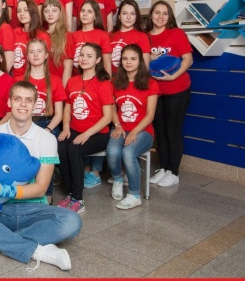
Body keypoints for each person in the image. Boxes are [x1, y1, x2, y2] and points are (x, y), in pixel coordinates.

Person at [0, 81, 81, 271]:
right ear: (9, 102)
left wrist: (5, 189)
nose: (23, 104)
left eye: (28, 100)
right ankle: (36, 250)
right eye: (17, 99)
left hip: (34, 209)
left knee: (72, 221)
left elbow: (40, 188)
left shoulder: (46, 139)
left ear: (35, 105)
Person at [57, 43, 113, 213]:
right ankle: (70, 193)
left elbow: (108, 117)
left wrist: (87, 134)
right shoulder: (73, 81)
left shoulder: (103, 83)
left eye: (89, 56)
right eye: (81, 55)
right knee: (60, 146)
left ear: (97, 60)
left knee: (74, 149)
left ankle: (78, 199)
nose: (84, 59)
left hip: (98, 133)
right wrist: (66, 127)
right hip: (75, 129)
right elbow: (67, 108)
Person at [147, 0, 193, 187]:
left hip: (177, 89)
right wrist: (148, 59)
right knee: (160, 130)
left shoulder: (176, 33)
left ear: (169, 17)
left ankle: (173, 172)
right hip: (155, 92)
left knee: (172, 130)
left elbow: (188, 60)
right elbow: (140, 63)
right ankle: (163, 168)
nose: (160, 16)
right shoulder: (145, 37)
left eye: (165, 13)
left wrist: (173, 76)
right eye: (157, 12)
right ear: (151, 15)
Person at [107, 44, 159, 209]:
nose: (128, 62)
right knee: (112, 152)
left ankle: (134, 194)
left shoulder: (150, 83)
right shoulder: (115, 82)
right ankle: (118, 179)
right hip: (121, 128)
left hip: (143, 131)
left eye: (133, 59)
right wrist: (117, 125)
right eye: (125, 59)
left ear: (140, 61)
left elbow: (150, 114)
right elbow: (112, 108)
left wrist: (135, 131)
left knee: (128, 153)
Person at [18, 39, 66, 136]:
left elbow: (59, 114)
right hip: (25, 122)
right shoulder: (19, 80)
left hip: (48, 123)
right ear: (27, 57)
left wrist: (47, 130)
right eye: (32, 52)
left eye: (39, 51)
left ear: (46, 55)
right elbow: (15, 110)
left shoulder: (55, 80)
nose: (35, 55)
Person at [68, 0, 112, 77]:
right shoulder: (72, 36)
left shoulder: (103, 35)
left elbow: (107, 65)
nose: (85, 14)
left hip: (97, 79)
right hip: (76, 79)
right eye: (83, 11)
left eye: (89, 12)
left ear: (96, 16)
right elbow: (68, 66)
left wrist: (108, 82)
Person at [109, 0, 151, 74]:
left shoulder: (142, 36)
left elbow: (145, 66)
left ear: (136, 16)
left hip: (132, 78)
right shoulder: (109, 35)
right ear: (119, 16)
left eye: (132, 14)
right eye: (124, 13)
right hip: (111, 78)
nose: (128, 17)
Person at [12, 0, 50, 79]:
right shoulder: (14, 32)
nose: (22, 14)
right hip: (14, 77)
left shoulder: (42, 35)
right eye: (19, 11)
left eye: (26, 10)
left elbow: (46, 63)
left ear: (33, 11)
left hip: (32, 78)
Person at [42, 0, 73, 86]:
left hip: (58, 84)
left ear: (60, 13)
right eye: (46, 11)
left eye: (54, 11)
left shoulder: (66, 36)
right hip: (42, 84)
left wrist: (63, 90)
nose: (50, 14)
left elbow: (68, 66)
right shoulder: (40, 34)